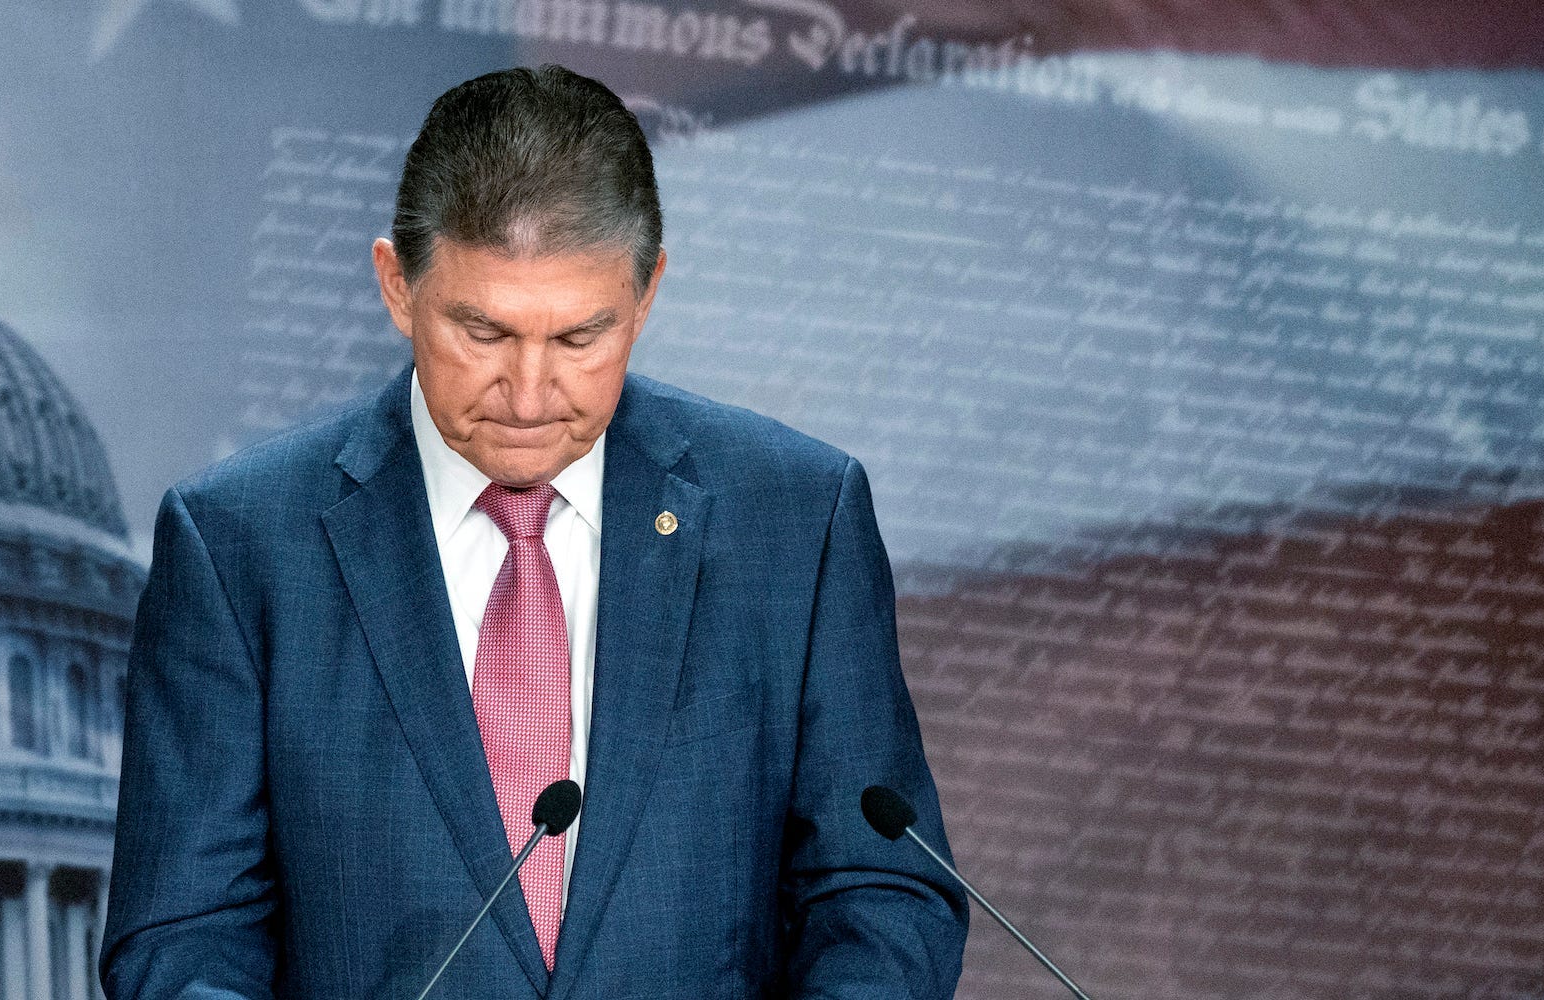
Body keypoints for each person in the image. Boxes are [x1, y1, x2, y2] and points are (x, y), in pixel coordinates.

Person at [99, 64, 969, 999]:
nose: (527, 394)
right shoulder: (238, 546)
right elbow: (183, 941)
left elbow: (883, 889)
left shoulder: (797, 519)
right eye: (483, 333)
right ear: (397, 285)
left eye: (578, 340)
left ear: (647, 294)